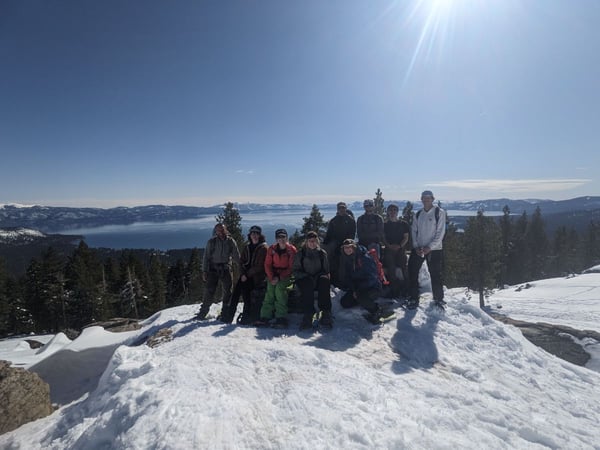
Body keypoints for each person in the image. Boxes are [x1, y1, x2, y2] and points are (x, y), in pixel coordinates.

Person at [218, 225, 268, 324]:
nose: (254, 235)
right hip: (246, 276)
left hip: (257, 277)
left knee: (246, 293)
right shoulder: (247, 247)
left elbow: (260, 266)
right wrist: (243, 274)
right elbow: (241, 262)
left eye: (256, 233)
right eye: (252, 233)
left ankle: (246, 316)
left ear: (260, 235)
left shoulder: (264, 248)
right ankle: (229, 316)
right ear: (250, 235)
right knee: (236, 293)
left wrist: (246, 275)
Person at [337, 239, 394, 324]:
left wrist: (358, 290)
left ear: (354, 247)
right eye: (345, 247)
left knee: (361, 297)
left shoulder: (365, 258)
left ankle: (376, 310)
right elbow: (348, 277)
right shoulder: (348, 258)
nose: (347, 249)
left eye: (349, 247)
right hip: (358, 287)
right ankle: (365, 302)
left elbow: (372, 278)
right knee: (345, 303)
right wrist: (354, 289)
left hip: (373, 287)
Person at [407, 190, 446, 309]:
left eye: (428, 198)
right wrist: (416, 246)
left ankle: (438, 299)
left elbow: (440, 232)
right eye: (424, 198)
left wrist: (430, 247)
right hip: (419, 248)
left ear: (432, 199)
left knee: (435, 274)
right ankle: (414, 297)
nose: (426, 200)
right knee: (412, 272)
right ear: (421, 199)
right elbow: (414, 231)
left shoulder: (439, 212)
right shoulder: (418, 214)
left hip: (434, 249)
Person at [196, 223, 241, 320]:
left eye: (222, 230)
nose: (220, 232)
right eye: (218, 230)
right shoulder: (212, 242)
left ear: (226, 230)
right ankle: (203, 313)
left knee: (228, 292)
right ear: (216, 231)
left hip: (226, 268)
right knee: (209, 291)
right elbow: (206, 257)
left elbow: (236, 256)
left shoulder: (231, 241)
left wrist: (242, 268)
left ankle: (225, 313)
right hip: (213, 269)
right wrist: (204, 271)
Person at [255, 228, 297, 328]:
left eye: (283, 237)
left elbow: (291, 267)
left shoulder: (291, 250)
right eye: (279, 237)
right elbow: (267, 264)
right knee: (270, 291)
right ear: (276, 239)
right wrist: (271, 277)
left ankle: (281, 317)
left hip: (287, 276)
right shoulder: (272, 249)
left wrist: (279, 277)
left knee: (279, 290)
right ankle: (265, 316)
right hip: (273, 275)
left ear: (286, 238)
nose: (281, 239)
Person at [293, 230, 333, 330]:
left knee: (324, 281)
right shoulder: (301, 254)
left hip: (318, 277)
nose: (312, 243)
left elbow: (326, 270)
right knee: (308, 284)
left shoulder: (322, 254)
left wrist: (322, 277)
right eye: (310, 241)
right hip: (304, 278)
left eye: (314, 241)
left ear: (317, 241)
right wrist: (305, 276)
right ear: (306, 242)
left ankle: (325, 311)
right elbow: (296, 270)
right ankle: (308, 313)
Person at [323, 201, 356, 287]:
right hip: (335, 242)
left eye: (343, 208)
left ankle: (342, 280)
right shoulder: (334, 220)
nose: (342, 210)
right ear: (337, 209)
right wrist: (324, 243)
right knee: (327, 253)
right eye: (340, 208)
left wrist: (346, 243)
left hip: (347, 242)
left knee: (343, 256)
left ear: (346, 209)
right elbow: (329, 234)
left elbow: (352, 234)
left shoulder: (350, 220)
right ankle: (329, 276)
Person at [383, 203, 410, 298]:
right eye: (390, 210)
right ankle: (395, 290)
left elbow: (406, 237)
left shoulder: (403, 224)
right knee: (391, 268)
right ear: (388, 212)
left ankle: (407, 289)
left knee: (404, 267)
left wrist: (399, 245)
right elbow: (383, 238)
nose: (392, 212)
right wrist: (389, 246)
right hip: (389, 249)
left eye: (394, 210)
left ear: (397, 212)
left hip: (400, 249)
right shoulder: (385, 225)